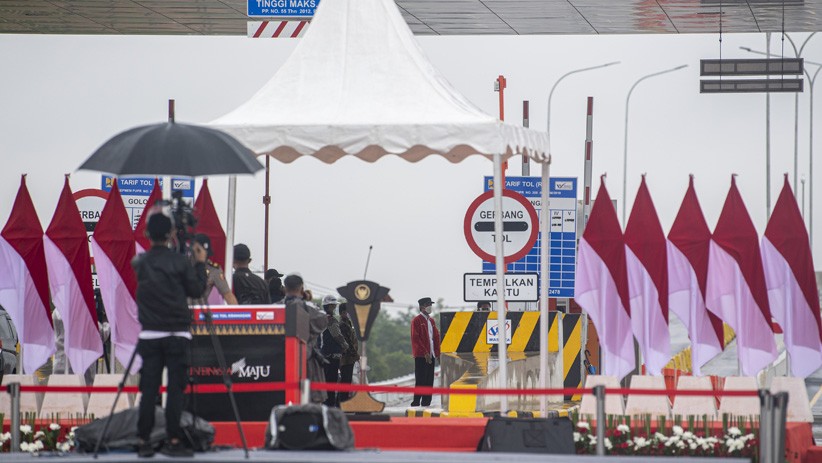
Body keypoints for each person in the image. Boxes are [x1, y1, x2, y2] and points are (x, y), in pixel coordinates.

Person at [131, 210, 207, 458]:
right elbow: (196, 290)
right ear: (171, 233)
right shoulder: (180, 262)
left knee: (149, 390)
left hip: (150, 335)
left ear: (146, 234)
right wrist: (200, 263)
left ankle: (143, 440)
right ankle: (173, 439)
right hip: (177, 334)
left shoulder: (140, 262)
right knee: (175, 389)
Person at [282, 273, 328, 403]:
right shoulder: (311, 310)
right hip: (307, 362)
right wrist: (307, 301)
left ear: (285, 289)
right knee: (311, 404)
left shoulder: (277, 307)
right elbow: (323, 320)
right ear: (302, 289)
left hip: (282, 361)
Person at [191, 234, 237, 305]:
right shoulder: (180, 265)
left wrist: (239, 314)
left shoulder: (214, 270)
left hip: (198, 312)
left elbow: (228, 295)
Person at [410, 297, 440, 407]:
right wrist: (424, 352)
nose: (430, 307)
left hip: (431, 354)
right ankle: (416, 401)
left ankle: (426, 401)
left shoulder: (431, 321)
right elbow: (415, 338)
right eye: (428, 304)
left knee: (429, 379)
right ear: (422, 307)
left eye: (430, 304)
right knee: (421, 379)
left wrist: (437, 354)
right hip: (421, 356)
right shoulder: (416, 320)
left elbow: (435, 337)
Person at [319, 295, 348, 407]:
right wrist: (345, 346)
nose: (335, 307)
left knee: (327, 381)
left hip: (325, 354)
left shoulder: (321, 318)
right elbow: (337, 335)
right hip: (331, 355)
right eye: (333, 305)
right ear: (329, 306)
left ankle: (327, 403)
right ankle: (330, 404)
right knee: (331, 381)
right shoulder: (331, 320)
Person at [338, 303, 359, 402]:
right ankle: (342, 403)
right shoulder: (342, 325)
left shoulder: (348, 323)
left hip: (350, 359)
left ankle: (343, 403)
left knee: (347, 382)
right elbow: (348, 343)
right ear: (343, 313)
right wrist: (355, 354)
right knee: (345, 382)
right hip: (346, 358)